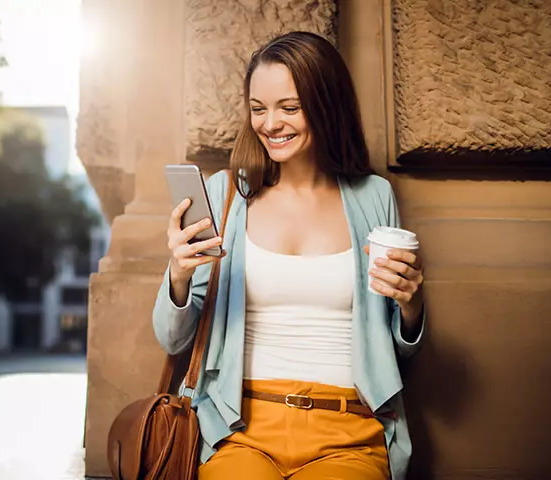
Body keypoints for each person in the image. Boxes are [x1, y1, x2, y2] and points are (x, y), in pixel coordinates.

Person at [152, 31, 425, 480]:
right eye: (258, 109)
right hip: (238, 427)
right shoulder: (225, 196)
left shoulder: (373, 197)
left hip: (349, 432)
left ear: (326, 105)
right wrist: (179, 277)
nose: (270, 124)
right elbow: (173, 340)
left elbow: (400, 350)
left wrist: (411, 305)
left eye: (289, 108)